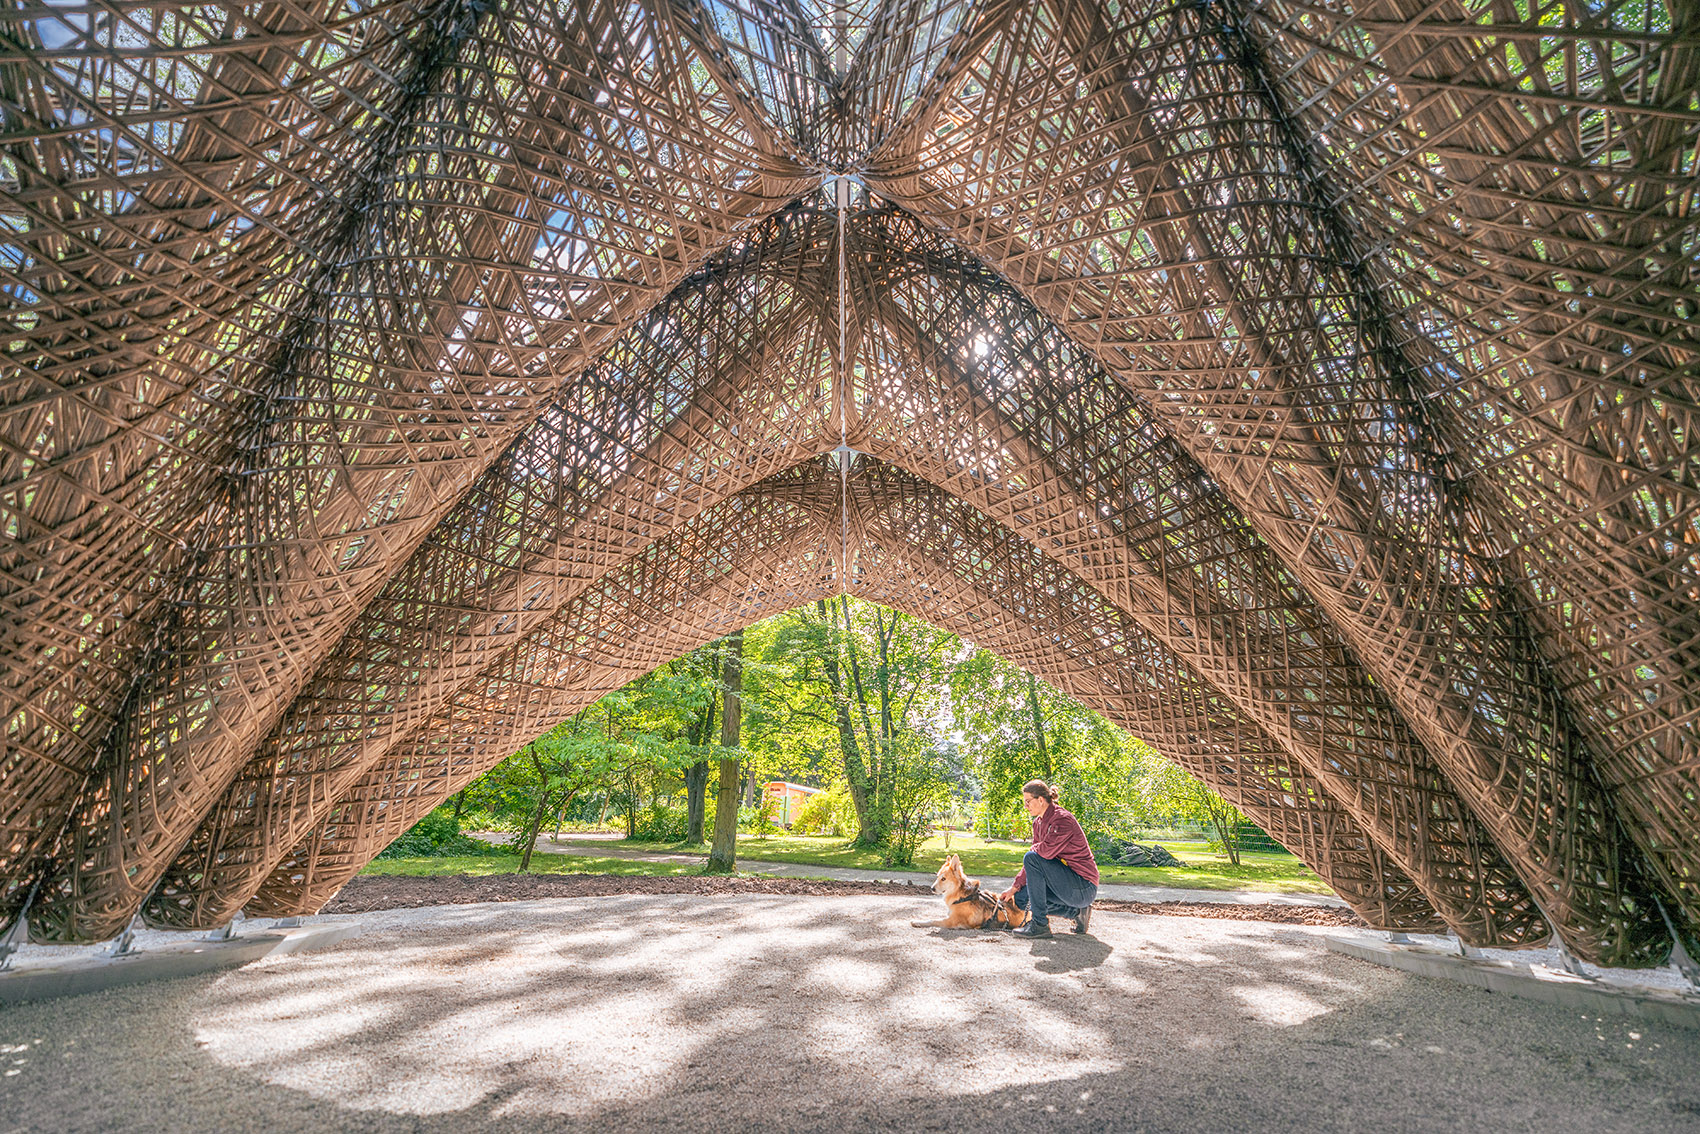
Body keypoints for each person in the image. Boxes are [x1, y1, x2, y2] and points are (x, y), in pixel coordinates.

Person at [998, 779, 1098, 939]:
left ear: (1041, 800)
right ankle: (1076, 912)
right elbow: (1035, 860)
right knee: (1023, 898)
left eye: (1028, 801)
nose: (1026, 806)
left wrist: (1033, 849)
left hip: (1083, 887)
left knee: (1032, 857)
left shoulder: (1062, 820)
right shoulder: (1038, 823)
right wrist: (1014, 887)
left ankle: (1040, 925)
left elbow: (1043, 853)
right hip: (1065, 886)